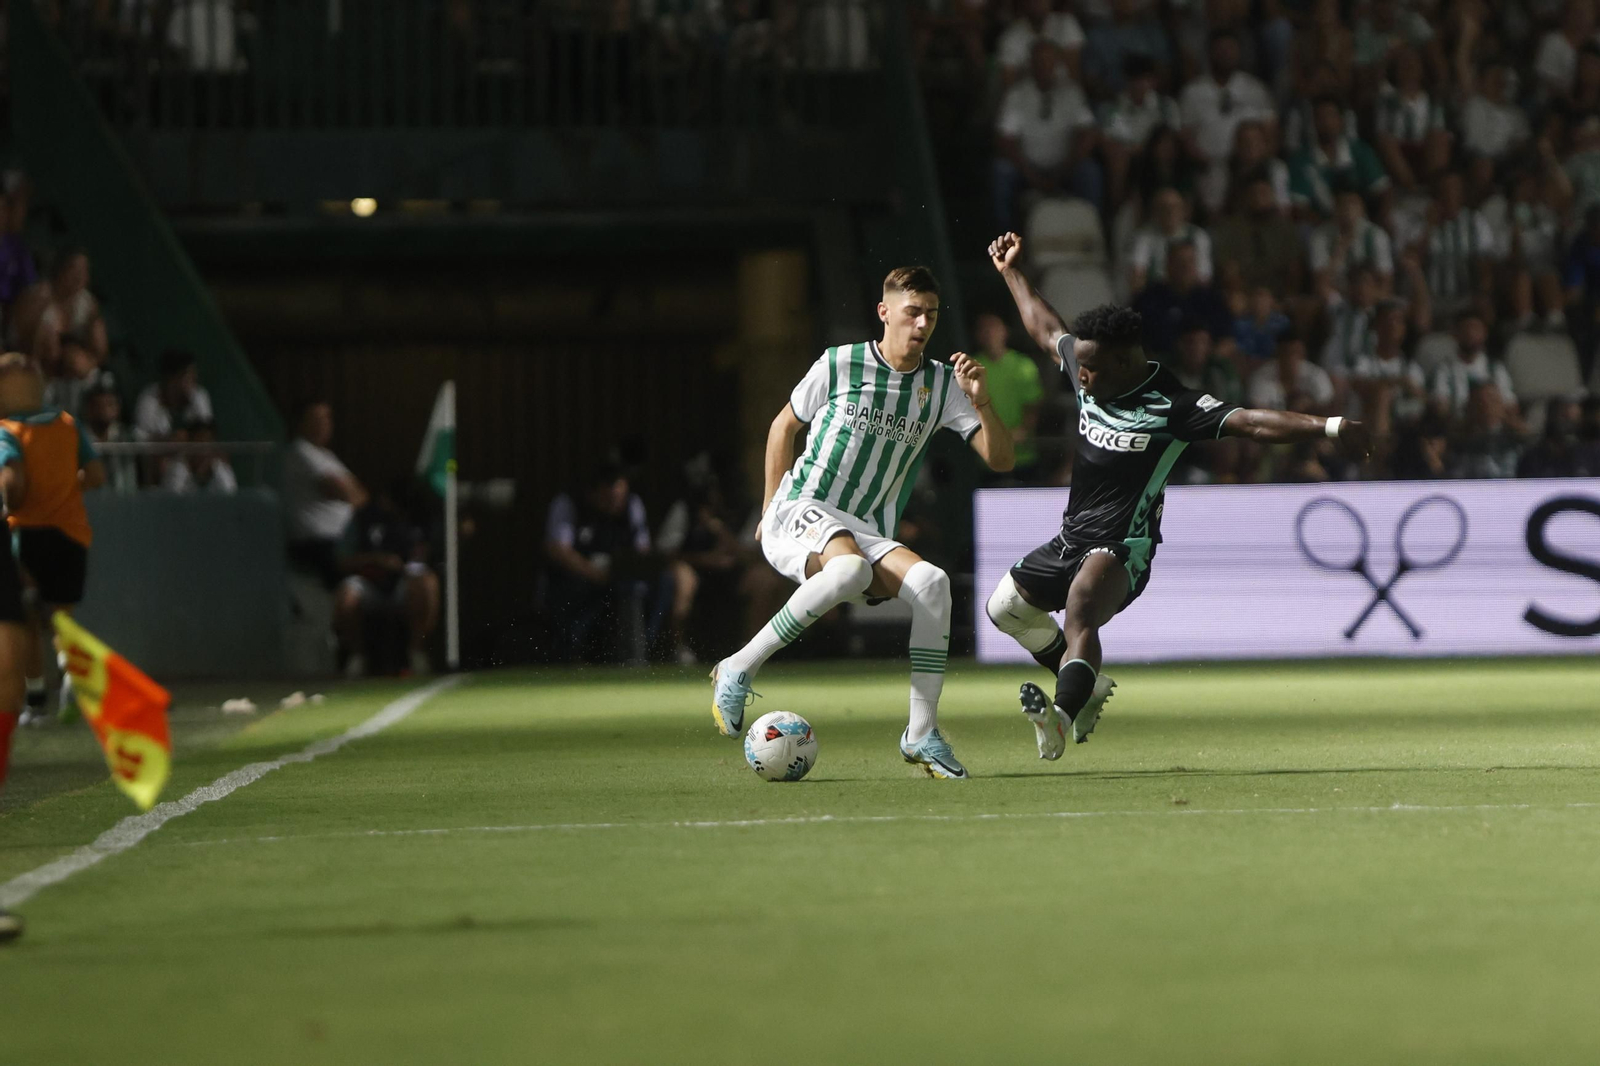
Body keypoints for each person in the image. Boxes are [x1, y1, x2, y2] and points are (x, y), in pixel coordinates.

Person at [985, 232, 1369, 759]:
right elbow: (1046, 329)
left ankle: (1060, 717)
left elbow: (1251, 422)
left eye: (1091, 371)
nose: (1082, 378)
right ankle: (1084, 683)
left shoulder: (1174, 406)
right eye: (1081, 368)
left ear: (1124, 364)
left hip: (1123, 547)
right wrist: (1010, 271)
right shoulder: (1089, 365)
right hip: (1070, 537)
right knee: (1004, 610)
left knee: (1080, 611)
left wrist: (1330, 426)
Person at [710, 266, 1015, 779]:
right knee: (849, 568)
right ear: (884, 312)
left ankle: (921, 733)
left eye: (931, 314)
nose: (923, 324)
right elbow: (783, 427)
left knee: (933, 584)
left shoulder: (942, 384)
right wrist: (768, 507)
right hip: (802, 506)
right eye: (913, 312)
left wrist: (981, 399)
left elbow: (1001, 459)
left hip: (865, 530)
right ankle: (737, 667)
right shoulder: (840, 363)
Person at [0, 353, 105, 723]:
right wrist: (65, 489)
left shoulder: (7, 431)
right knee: (62, 620)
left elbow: (11, 483)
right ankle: (70, 675)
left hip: (26, 537)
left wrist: (9, 498)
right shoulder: (67, 425)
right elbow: (96, 475)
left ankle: (36, 701)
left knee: (28, 621)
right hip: (70, 535)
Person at [993, 40, 1103, 226]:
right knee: (1001, 171)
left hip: (1066, 167)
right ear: (1031, 64)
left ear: (1057, 64)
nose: (1044, 67)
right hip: (1026, 168)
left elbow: (1088, 132)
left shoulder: (1072, 92)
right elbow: (1005, 139)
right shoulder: (1017, 95)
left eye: (1049, 61)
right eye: (1039, 61)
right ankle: (1005, 235)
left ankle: (1092, 229)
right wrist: (1030, 174)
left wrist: (1066, 168)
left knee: (1089, 171)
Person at [337, 482, 439, 677]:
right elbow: (342, 560)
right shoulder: (363, 518)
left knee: (427, 584)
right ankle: (358, 655)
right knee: (346, 597)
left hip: (402, 583)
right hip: (368, 581)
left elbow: (426, 558)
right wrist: (376, 560)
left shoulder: (416, 519)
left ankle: (416, 652)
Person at [282, 400, 367, 589]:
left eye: (327, 418)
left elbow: (362, 494)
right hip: (319, 544)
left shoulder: (327, 456)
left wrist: (348, 491)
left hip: (346, 538)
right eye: (317, 419)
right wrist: (347, 490)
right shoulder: (299, 450)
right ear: (301, 423)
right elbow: (344, 492)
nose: (324, 424)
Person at [971, 313, 1044, 480]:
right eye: (984, 329)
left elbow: (1033, 405)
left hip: (1023, 458)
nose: (990, 334)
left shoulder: (1024, 365)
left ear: (1005, 331)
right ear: (977, 335)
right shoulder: (971, 367)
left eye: (994, 328)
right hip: (988, 461)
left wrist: (1022, 431)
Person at [160, 419, 237, 495]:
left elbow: (230, 495)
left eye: (207, 441)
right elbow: (172, 498)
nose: (202, 449)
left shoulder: (221, 470)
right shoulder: (177, 469)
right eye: (198, 441)